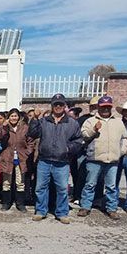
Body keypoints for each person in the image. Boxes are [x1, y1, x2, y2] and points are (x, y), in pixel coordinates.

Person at [28, 94, 82, 224]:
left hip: (62, 162)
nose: (58, 107)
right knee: (40, 187)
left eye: (61, 104)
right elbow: (32, 133)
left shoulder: (72, 123)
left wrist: (68, 149)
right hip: (44, 160)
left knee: (63, 188)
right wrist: (35, 118)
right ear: (51, 106)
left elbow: (79, 140)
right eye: (55, 104)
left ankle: (62, 213)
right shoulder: (44, 121)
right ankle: (41, 211)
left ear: (65, 106)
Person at [78, 96, 127, 219]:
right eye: (103, 107)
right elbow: (84, 135)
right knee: (90, 184)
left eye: (108, 107)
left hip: (112, 160)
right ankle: (85, 206)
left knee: (111, 186)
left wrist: (121, 152)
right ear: (98, 108)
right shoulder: (90, 121)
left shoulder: (118, 122)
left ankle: (111, 208)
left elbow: (125, 138)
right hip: (94, 159)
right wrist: (94, 130)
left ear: (110, 107)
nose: (105, 109)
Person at [0, 108, 34, 212]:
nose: (14, 118)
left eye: (15, 116)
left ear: (19, 117)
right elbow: (0, 139)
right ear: (8, 117)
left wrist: (27, 152)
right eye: (12, 116)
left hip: (21, 157)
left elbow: (30, 141)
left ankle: (20, 203)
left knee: (20, 181)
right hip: (7, 156)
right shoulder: (4, 127)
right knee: (6, 182)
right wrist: (4, 127)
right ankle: (6, 203)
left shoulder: (25, 128)